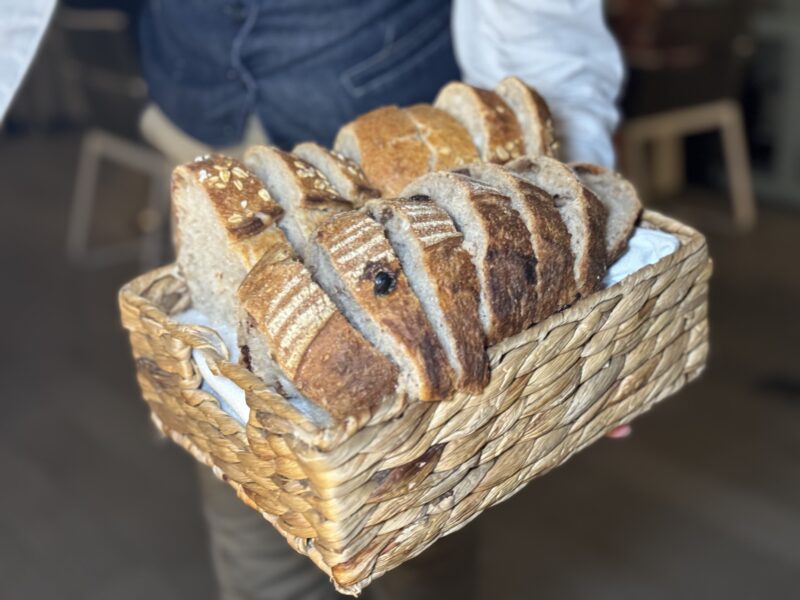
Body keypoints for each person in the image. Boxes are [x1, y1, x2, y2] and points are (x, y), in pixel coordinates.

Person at [138, 1, 628, 598]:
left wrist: (576, 240)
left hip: (392, 138)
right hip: (200, 147)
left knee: (414, 520)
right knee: (252, 497)